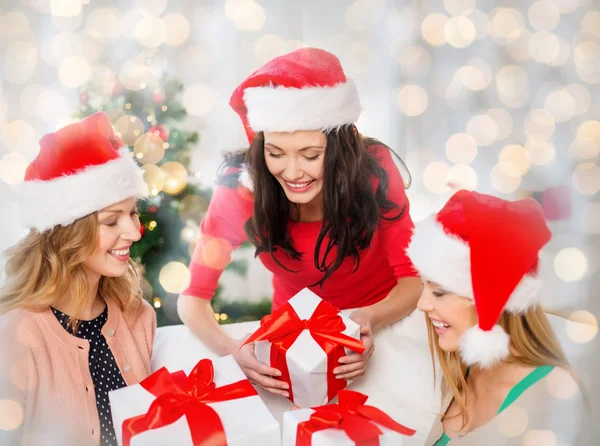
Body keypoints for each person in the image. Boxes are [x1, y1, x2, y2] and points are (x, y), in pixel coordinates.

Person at [177, 47, 431, 415]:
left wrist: (368, 320)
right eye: (276, 153)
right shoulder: (241, 190)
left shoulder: (374, 169)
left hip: (381, 324)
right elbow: (192, 300)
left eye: (310, 155)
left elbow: (413, 281)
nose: (292, 172)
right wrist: (234, 350)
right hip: (291, 346)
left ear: (340, 150)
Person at [0, 112, 156, 446]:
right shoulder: (15, 334)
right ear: (67, 233)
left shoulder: (138, 315)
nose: (134, 231)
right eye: (111, 221)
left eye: (132, 213)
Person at [406, 189, 589, 445]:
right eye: (423, 286)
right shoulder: (460, 367)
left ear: (492, 299)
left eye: (439, 292)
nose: (422, 304)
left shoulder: (552, 397)